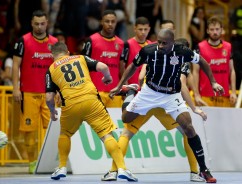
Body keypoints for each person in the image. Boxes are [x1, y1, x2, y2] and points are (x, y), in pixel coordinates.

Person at [109, 28, 224, 183]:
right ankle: (130, 92)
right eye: (159, 42)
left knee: (188, 128)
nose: (161, 45)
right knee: (126, 119)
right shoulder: (148, 51)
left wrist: (213, 82)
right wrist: (119, 85)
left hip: (171, 95)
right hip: (149, 92)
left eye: (165, 43)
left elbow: (202, 62)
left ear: (172, 42)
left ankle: (203, 169)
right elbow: (133, 67)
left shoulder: (182, 51)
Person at [45, 42, 137, 182]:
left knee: (65, 134)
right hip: (91, 101)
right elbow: (103, 67)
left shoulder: (51, 69)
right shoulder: (80, 58)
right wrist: (107, 77)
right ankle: (122, 168)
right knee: (106, 135)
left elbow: (49, 97)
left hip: (70, 105)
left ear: (53, 55)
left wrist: (52, 111)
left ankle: (62, 167)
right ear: (68, 51)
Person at [12, 10, 58, 174]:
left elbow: (58, 67)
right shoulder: (22, 41)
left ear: (47, 23)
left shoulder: (54, 42)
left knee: (51, 130)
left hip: (49, 95)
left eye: (42, 23)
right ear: (31, 23)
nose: (39, 27)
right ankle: (32, 162)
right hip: (28, 93)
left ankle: (50, 162)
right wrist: (15, 88)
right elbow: (16, 65)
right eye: (36, 24)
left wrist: (58, 90)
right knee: (29, 131)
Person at [82, 9, 125, 107]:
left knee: (115, 121)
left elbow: (122, 68)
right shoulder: (91, 40)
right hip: (95, 91)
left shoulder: (121, 43)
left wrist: (123, 89)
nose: (110, 24)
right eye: (107, 21)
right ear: (101, 22)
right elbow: (82, 64)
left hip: (115, 92)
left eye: (113, 22)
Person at [193, 16, 237, 107]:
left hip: (224, 95)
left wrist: (233, 92)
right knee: (207, 121)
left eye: (217, 29)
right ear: (207, 31)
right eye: (212, 29)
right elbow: (195, 72)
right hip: (205, 96)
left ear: (221, 30)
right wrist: (196, 94)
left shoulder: (228, 47)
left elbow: (231, 70)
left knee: (225, 121)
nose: (215, 32)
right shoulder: (200, 47)